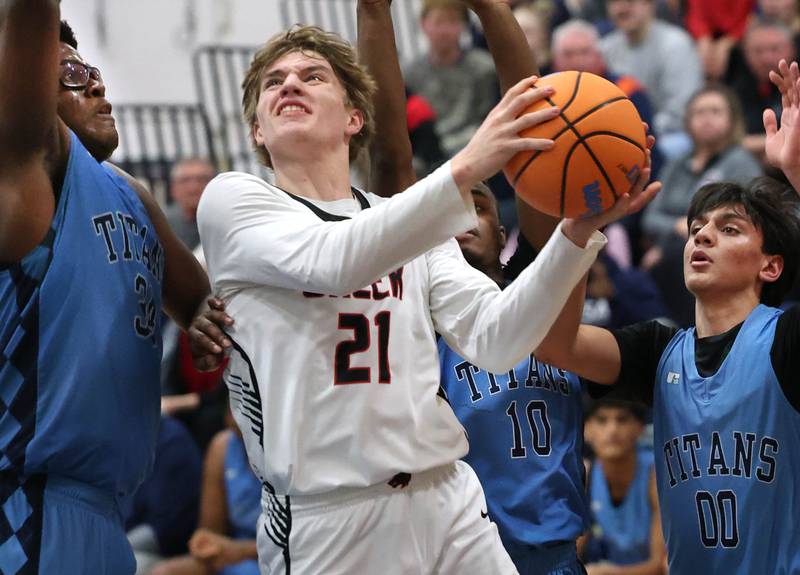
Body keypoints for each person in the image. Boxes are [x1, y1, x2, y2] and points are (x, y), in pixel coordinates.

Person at [191, 4, 655, 572]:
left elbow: (498, 339)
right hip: (329, 515)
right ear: (259, 128)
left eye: (313, 76)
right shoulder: (235, 201)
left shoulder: (408, 224)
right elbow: (333, 260)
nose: (290, 83)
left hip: (448, 497)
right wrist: (465, 166)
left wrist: (576, 233)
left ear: (354, 118)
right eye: (273, 82)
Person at [535, 59, 800, 573]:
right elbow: (554, 344)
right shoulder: (659, 349)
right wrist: (579, 229)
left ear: (771, 265)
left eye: (729, 229)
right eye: (698, 226)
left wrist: (796, 173)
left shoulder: (786, 339)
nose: (701, 236)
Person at [0, 4, 212, 573]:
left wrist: (207, 325)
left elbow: (201, 306)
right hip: (24, 504)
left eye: (92, 67)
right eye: (69, 72)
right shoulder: (28, 169)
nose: (94, 80)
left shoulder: (129, 195)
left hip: (105, 510)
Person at [641, 84, 762, 325]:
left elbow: (742, 218)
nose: (706, 119)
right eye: (699, 112)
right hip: (670, 253)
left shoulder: (740, 162)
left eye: (715, 112)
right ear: (688, 121)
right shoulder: (677, 164)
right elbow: (649, 217)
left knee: (674, 258)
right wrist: (675, 226)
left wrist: (683, 233)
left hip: (715, 255)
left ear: (732, 119)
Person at [149, 412, 261, 575]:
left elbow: (302, 541)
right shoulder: (223, 446)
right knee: (163, 572)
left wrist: (242, 551)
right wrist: (204, 543)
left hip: (278, 557)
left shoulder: (291, 452)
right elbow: (210, 531)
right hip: (232, 555)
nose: (232, 416)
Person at [601, 0, 703, 158]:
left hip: (669, 135)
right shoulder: (605, 48)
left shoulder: (675, 44)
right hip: (622, 134)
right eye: (614, 2)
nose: (621, 8)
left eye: (629, 2)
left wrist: (637, 132)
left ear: (650, 5)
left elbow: (682, 110)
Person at [580, 400, 666, 575]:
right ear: (586, 430)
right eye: (602, 420)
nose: (612, 430)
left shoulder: (657, 474)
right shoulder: (584, 475)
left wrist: (609, 574)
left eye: (622, 419)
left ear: (639, 428)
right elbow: (572, 555)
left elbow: (660, 565)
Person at [404, 0, 499, 156]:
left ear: (464, 25)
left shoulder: (484, 68)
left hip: (475, 149)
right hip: (427, 153)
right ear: (423, 24)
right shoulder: (409, 74)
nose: (444, 30)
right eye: (438, 22)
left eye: (452, 21)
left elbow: (487, 119)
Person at [125, 417, 203, 574]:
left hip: (160, 552)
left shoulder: (172, 443)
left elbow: (163, 532)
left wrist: (107, 547)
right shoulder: (108, 437)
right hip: (115, 536)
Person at [725, 16, 796, 161]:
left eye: (775, 49)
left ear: (792, 49)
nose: (766, 58)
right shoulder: (736, 83)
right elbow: (728, 140)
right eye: (758, 51)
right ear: (745, 53)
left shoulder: (796, 82)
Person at [165, 158, 217, 250]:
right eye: (185, 180)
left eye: (202, 180)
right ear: (173, 189)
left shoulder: (228, 222)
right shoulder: (162, 225)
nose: (193, 188)